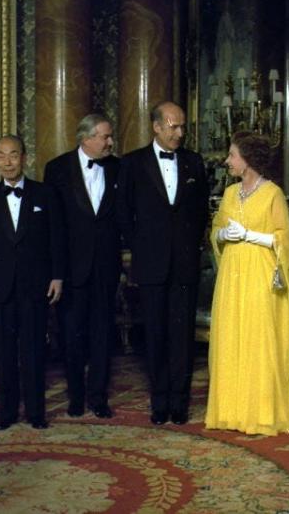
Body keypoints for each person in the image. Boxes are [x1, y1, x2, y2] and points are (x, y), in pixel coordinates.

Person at [117, 101, 210, 426]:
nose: (180, 133)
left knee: (183, 337)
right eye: (173, 126)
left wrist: (187, 246)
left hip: (185, 263)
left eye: (182, 126)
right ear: (156, 127)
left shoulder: (194, 162)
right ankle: (159, 402)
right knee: (155, 335)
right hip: (151, 264)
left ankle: (180, 403)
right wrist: (142, 248)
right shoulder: (132, 164)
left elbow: (200, 213)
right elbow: (123, 214)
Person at [206, 131, 289, 436]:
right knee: (232, 336)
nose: (228, 160)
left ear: (248, 159)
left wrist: (249, 236)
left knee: (258, 339)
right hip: (232, 275)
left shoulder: (273, 193)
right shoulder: (230, 194)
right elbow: (216, 230)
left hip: (259, 273)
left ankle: (260, 413)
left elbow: (284, 239)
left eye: (233, 155)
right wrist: (222, 235)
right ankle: (230, 412)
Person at [0, 135, 65, 430]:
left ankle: (36, 412)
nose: (8, 161)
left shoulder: (44, 194)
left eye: (13, 155)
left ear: (24, 157)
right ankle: (8, 412)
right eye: (1, 155)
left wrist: (57, 276)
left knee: (35, 350)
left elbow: (57, 240)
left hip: (35, 285)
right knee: (4, 352)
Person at [44, 114, 121, 420]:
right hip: (71, 270)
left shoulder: (118, 167)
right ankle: (76, 396)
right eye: (105, 136)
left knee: (103, 334)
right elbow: (53, 227)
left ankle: (98, 397)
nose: (110, 142)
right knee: (71, 335)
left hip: (105, 267)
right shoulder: (57, 169)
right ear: (86, 138)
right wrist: (56, 274)